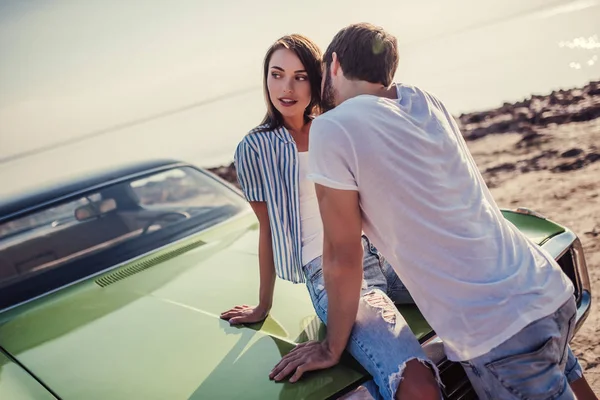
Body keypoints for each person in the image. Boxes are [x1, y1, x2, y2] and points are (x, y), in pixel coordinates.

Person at [270, 23, 597, 400]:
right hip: (543, 289)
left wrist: (330, 347)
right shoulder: (423, 99)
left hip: (500, 329)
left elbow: (344, 255)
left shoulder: (332, 128)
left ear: (335, 64)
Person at [219, 34, 442, 399]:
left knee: (476, 302)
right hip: (329, 274)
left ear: (318, 78)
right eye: (276, 75)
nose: (286, 88)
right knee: (415, 380)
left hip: (384, 255)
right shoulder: (254, 148)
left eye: (300, 76)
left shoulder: (337, 123)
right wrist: (263, 304)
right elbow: (267, 230)